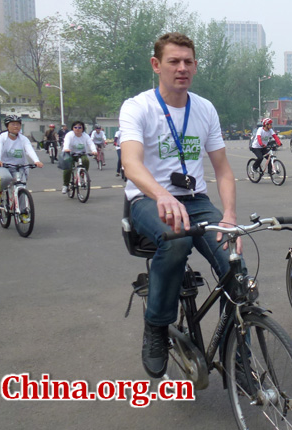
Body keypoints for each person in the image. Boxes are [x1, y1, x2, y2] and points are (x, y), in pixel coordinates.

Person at [119, 32, 242, 378]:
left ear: (195, 66)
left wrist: (230, 216)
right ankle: (156, 327)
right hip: (147, 199)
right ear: (157, 65)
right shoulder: (138, 107)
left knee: (236, 264)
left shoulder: (204, 109)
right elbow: (131, 163)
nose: (182, 68)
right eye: (174, 61)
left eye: (188, 61)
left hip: (196, 200)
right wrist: (161, 194)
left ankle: (241, 350)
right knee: (176, 240)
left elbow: (223, 170)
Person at [0, 115, 43, 205]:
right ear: (7, 126)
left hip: (19, 167)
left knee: (22, 187)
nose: (16, 126)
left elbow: (29, 149)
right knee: (6, 178)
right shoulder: (1, 138)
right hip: (2, 166)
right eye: (13, 124)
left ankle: (23, 213)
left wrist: (36, 161)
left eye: (18, 124)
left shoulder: (23, 139)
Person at [61, 121, 97, 194]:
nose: (77, 129)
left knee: (85, 160)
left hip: (81, 153)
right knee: (68, 169)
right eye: (75, 127)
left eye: (79, 127)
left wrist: (94, 150)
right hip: (69, 153)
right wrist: (66, 149)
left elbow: (91, 143)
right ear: (73, 128)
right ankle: (65, 185)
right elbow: (66, 143)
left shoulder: (85, 136)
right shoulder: (69, 135)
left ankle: (83, 176)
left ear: (82, 128)